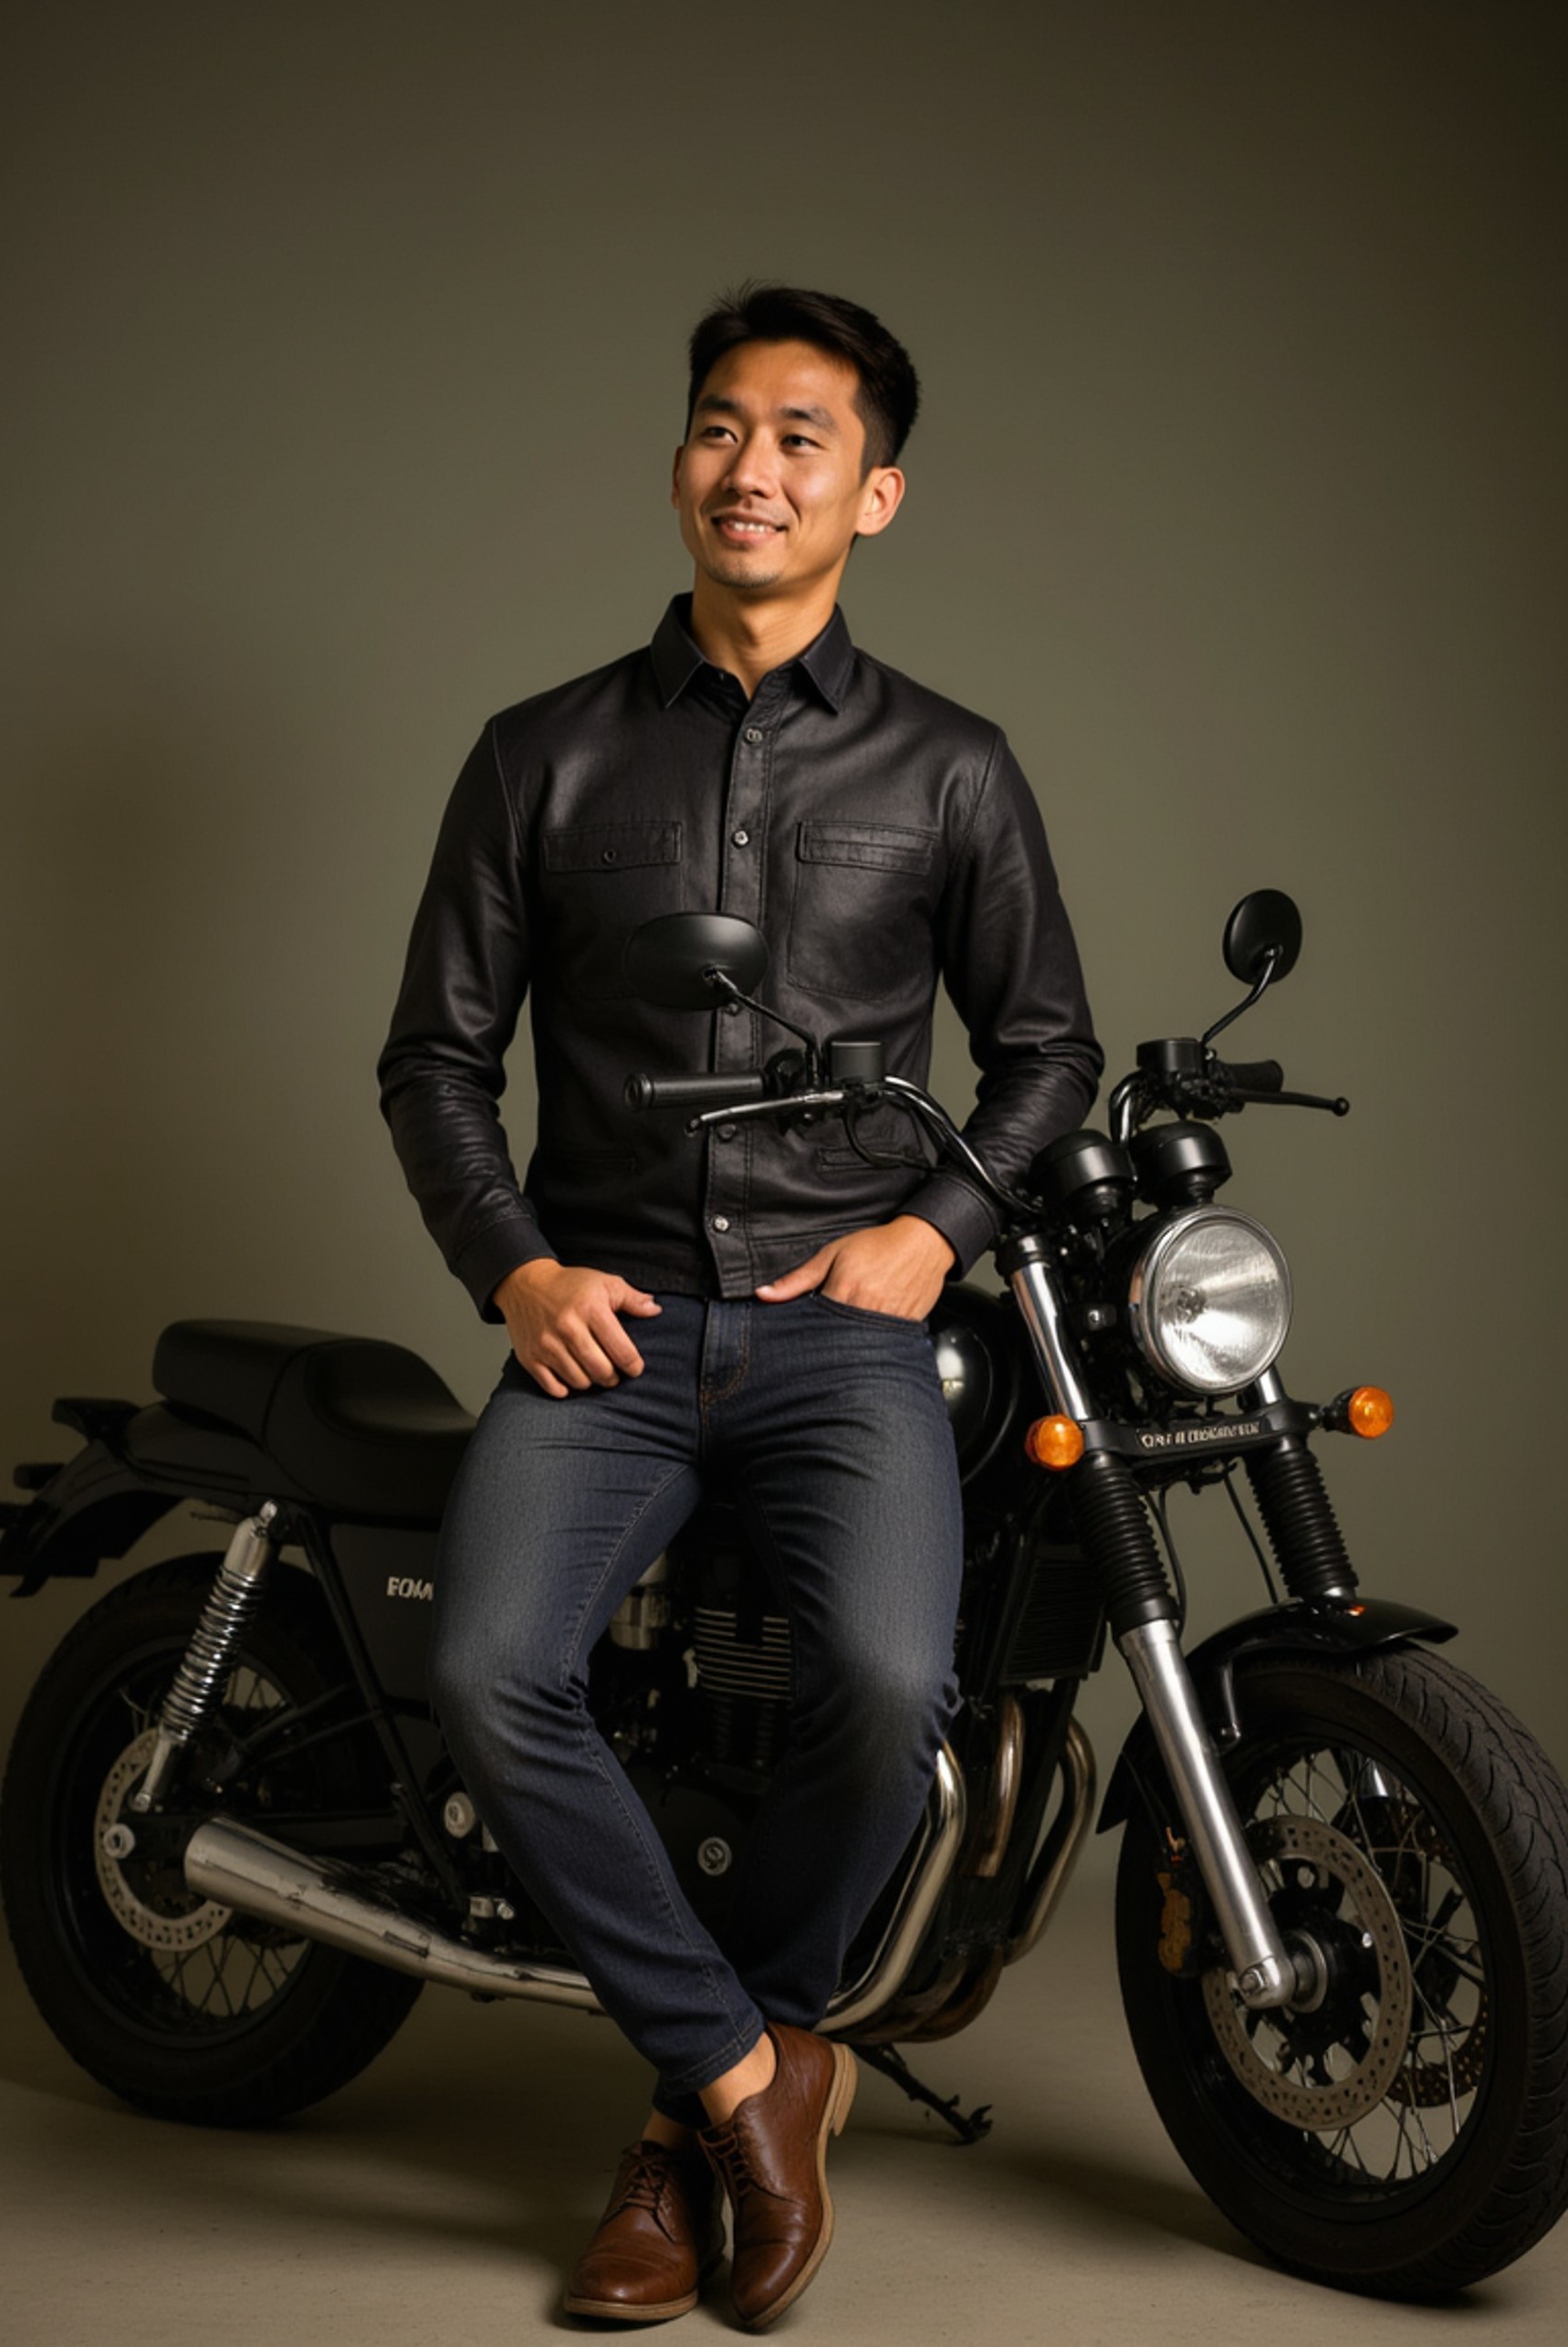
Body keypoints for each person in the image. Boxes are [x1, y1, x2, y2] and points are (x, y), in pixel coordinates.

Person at [378, 283, 1100, 2328]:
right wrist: (514, 1264)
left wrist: (930, 1229)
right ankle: (744, 2079)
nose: (749, 463)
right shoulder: (540, 754)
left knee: (889, 1691)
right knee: (493, 1671)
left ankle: (700, 2091)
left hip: (842, 1333)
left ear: (874, 492)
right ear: (678, 463)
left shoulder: (953, 767)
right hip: (597, 1329)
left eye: (800, 435)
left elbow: (1044, 1048)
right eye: (717, 425)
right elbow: (433, 1059)